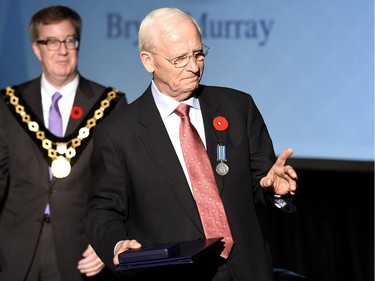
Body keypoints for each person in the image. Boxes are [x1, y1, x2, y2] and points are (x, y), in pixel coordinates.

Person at [86, 7, 298, 281]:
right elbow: (102, 210)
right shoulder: (118, 133)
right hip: (172, 273)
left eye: (199, 54)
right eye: (180, 59)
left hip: (245, 269)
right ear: (148, 61)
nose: (194, 67)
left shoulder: (237, 107)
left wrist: (275, 192)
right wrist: (117, 245)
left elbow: (262, 182)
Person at [0, 5, 127, 281]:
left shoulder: (110, 104)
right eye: (52, 41)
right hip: (14, 251)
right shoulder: (8, 103)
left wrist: (109, 240)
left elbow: (119, 186)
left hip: (82, 252)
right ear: (37, 48)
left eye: (70, 40)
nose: (62, 50)